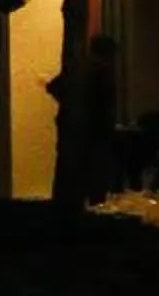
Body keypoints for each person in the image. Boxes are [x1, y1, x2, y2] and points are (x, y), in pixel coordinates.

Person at [44, 33, 119, 203]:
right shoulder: (103, 71)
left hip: (72, 130)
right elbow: (106, 106)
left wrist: (69, 104)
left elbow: (53, 86)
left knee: (71, 179)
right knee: (96, 182)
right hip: (95, 133)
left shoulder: (76, 67)